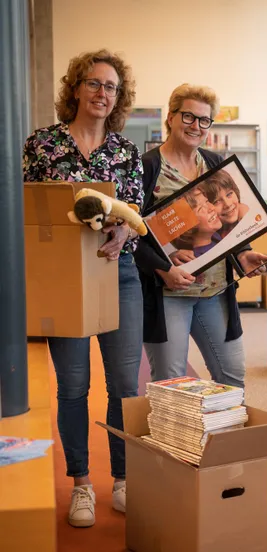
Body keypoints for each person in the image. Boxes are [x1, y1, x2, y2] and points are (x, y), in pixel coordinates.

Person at [21, 49, 144, 528]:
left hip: (120, 275)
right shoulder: (43, 145)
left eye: (111, 87)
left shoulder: (125, 151)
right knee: (73, 386)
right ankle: (81, 484)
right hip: (65, 278)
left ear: (118, 97)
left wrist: (123, 232)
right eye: (94, 83)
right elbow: (30, 212)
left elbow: (138, 216)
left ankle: (124, 481)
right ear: (75, 88)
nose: (102, 93)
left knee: (125, 386)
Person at [134, 84, 267, 389]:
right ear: (170, 117)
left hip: (215, 292)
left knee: (232, 376)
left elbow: (228, 225)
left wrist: (244, 253)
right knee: (171, 384)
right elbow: (132, 233)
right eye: (188, 117)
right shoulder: (147, 168)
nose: (196, 126)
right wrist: (162, 269)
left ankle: (227, 425)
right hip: (169, 294)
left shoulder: (214, 163)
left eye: (204, 120)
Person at [170, 187, 224, 257]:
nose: (212, 207)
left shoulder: (214, 235)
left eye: (207, 201)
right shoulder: (195, 257)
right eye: (200, 209)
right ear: (187, 228)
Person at [202, 169, 249, 238]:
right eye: (217, 202)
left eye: (229, 194)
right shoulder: (211, 235)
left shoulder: (245, 214)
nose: (227, 204)